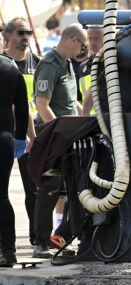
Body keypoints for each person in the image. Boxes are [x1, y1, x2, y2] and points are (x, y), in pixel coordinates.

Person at [31, 23, 86, 257]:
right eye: (82, 46)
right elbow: (42, 105)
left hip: (69, 134)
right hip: (55, 135)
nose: (83, 51)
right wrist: (58, 135)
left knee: (72, 187)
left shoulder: (68, 64)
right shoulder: (50, 65)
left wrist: (88, 118)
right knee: (50, 186)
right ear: (73, 40)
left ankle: (64, 236)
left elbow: (71, 104)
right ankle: (41, 242)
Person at [2, 18, 39, 247]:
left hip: (30, 132)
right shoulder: (5, 63)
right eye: (21, 32)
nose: (26, 37)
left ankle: (36, 237)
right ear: (8, 36)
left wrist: (33, 136)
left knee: (32, 189)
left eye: (28, 33)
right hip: (11, 132)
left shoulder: (37, 62)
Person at [0, 61, 30, 267]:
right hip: (5, 139)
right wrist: (20, 137)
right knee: (2, 195)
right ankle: (8, 252)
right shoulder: (11, 70)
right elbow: (22, 107)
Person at [80, 26, 104, 116]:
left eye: (96, 38)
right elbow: (78, 99)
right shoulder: (83, 68)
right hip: (88, 120)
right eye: (90, 38)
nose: (93, 43)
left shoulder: (114, 65)